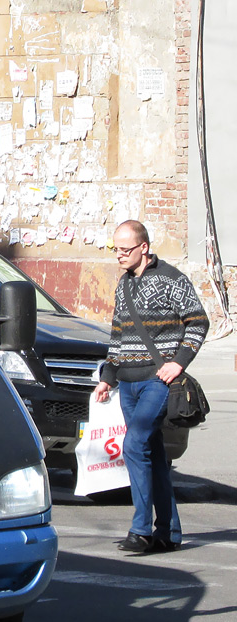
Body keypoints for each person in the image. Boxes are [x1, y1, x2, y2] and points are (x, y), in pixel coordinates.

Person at [91, 220, 209, 554]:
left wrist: (179, 362)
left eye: (125, 250)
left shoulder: (172, 279)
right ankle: (168, 533)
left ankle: (141, 529)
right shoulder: (123, 285)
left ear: (144, 247)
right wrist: (107, 377)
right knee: (153, 456)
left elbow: (198, 321)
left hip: (158, 382)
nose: (119, 256)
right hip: (127, 385)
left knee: (134, 444)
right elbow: (118, 335)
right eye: (115, 249)